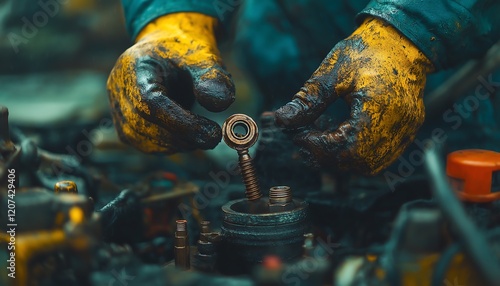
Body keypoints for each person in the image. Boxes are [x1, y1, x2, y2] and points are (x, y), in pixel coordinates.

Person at [107, 0, 500, 176]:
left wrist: (414, 30)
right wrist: (173, 17)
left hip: (464, 84)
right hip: (290, 48)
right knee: (295, 155)